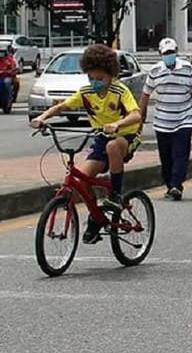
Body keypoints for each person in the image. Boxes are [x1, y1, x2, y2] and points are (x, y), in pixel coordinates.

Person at [30, 44, 142, 243]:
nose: (95, 82)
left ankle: (115, 194)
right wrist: (42, 118)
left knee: (112, 146)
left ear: (111, 75)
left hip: (126, 137)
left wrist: (116, 124)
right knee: (81, 178)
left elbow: (136, 115)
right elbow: (62, 106)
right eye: (91, 78)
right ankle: (96, 217)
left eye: (100, 79)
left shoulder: (119, 90)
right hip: (101, 137)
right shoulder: (86, 92)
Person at [138, 38, 192, 201]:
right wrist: (139, 118)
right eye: (166, 53)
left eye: (171, 52)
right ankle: (171, 185)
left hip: (184, 118)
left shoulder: (187, 68)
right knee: (166, 158)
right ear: (160, 54)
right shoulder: (155, 71)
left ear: (176, 52)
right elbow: (145, 95)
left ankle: (176, 184)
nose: (169, 56)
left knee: (181, 154)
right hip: (162, 120)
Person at [0, 44, 20, 109]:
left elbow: (15, 68)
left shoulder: (10, 59)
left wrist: (10, 71)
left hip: (7, 77)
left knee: (6, 83)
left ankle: (8, 100)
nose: (1, 54)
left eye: (2, 52)